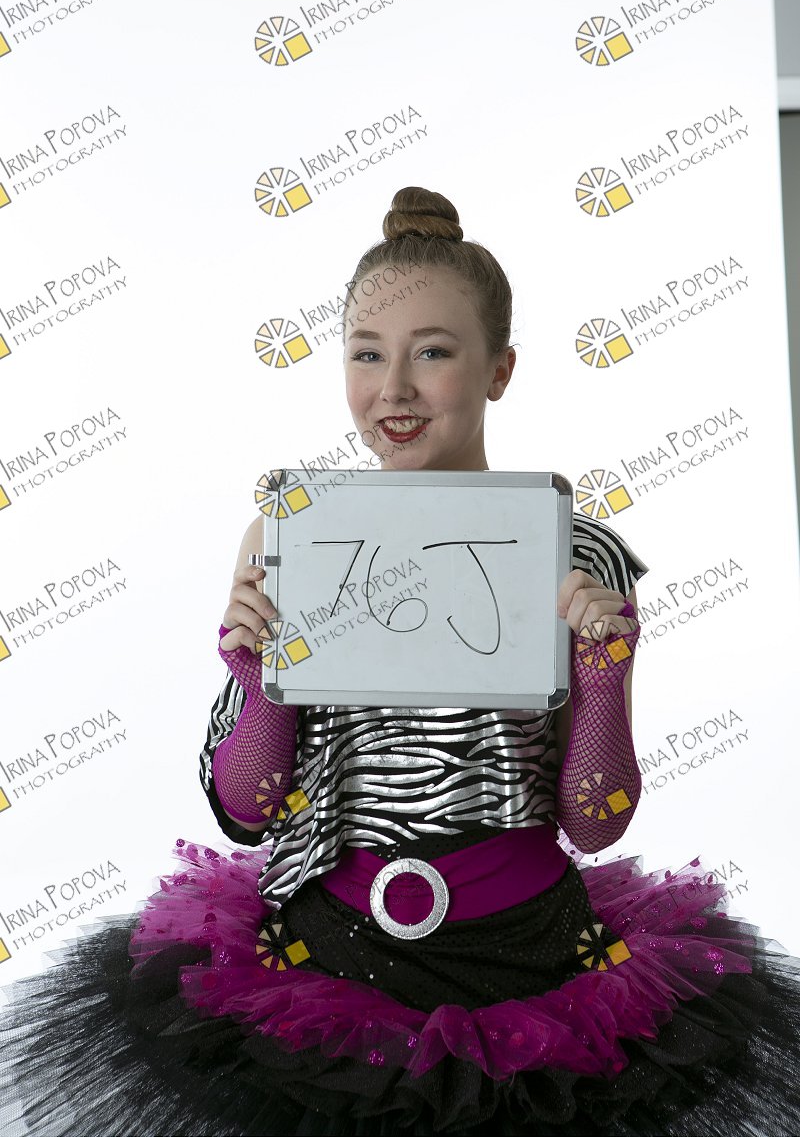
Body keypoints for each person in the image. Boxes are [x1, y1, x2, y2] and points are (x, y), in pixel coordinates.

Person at [1, 186, 799, 1137]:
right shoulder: (292, 534)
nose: (394, 389)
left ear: (499, 369)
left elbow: (596, 823)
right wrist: (261, 680)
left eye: (433, 353)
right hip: (327, 962)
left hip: (531, 965)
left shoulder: (577, 553)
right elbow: (248, 810)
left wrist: (603, 674)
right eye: (367, 354)